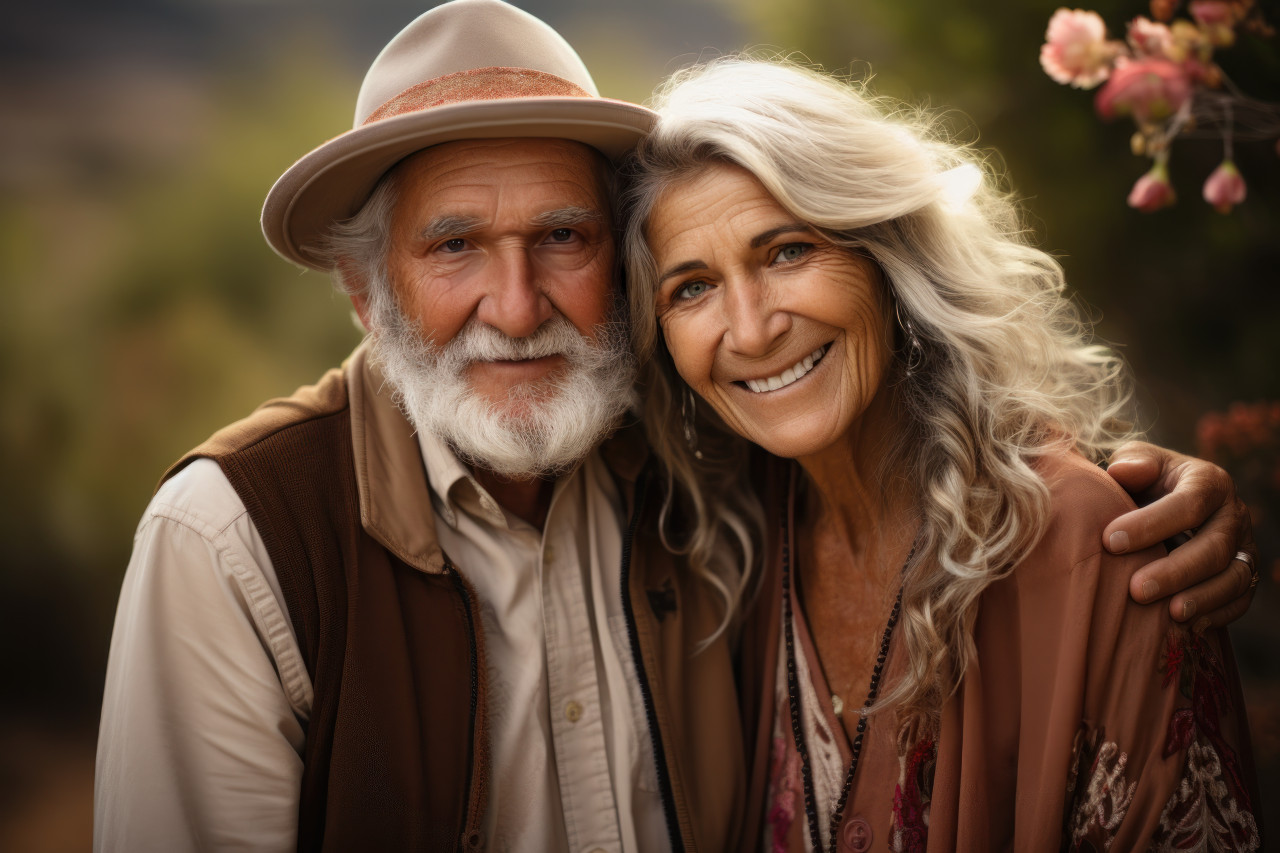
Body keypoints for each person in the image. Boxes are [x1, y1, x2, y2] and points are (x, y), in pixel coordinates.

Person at [94, 1, 1256, 850]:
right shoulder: (232, 540)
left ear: (619, 272)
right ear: (367, 291)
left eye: (562, 236)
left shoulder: (698, 467)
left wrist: (1126, 492)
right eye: (453, 245)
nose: (514, 305)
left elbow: (929, 472)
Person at [621, 57, 1262, 850]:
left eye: (787, 251)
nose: (750, 331)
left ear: (888, 255)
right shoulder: (725, 544)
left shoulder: (1083, 541)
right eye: (690, 288)